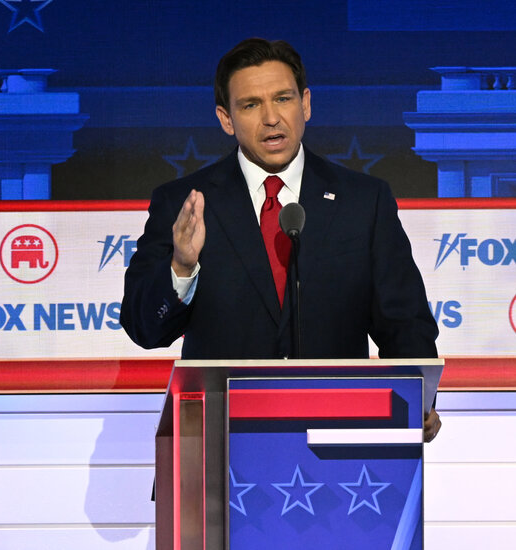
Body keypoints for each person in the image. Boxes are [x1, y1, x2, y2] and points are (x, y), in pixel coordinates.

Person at [120, 38, 441, 441]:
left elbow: (404, 322)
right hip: (222, 442)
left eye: (283, 99)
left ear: (305, 104)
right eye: (250, 105)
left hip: (338, 440)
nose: (271, 118)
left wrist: (417, 399)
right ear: (226, 119)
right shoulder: (185, 203)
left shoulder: (363, 201)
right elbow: (144, 329)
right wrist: (181, 267)